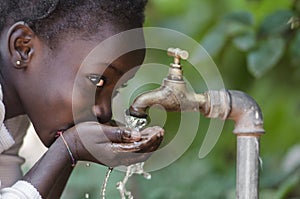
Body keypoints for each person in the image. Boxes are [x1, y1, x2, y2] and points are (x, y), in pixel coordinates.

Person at [0, 0, 164, 198]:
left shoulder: (12, 118)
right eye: (97, 81)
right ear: (23, 48)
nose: (105, 111)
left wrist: (73, 147)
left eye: (116, 90)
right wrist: (69, 147)